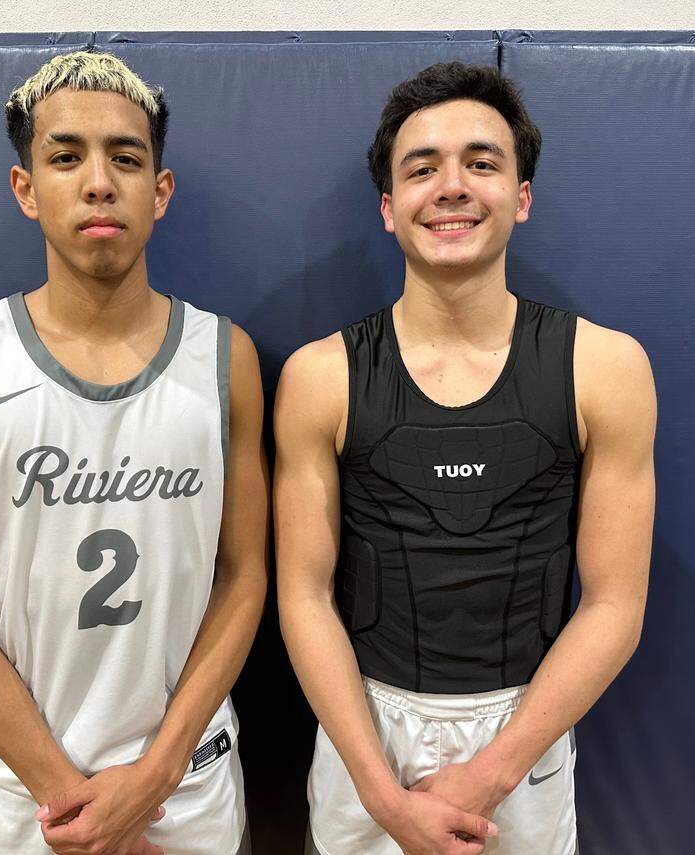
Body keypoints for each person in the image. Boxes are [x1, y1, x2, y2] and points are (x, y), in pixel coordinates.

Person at [275, 62, 655, 855]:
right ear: (388, 208)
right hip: (364, 732)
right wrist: (382, 793)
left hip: (525, 740)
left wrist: (490, 773)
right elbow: (304, 596)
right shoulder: (320, 378)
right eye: (422, 169)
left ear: (520, 196)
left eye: (481, 163)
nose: (451, 186)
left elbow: (615, 603)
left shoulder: (605, 368)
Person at [0, 50, 267, 855]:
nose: (98, 181)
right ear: (25, 188)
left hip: (188, 784)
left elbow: (244, 576)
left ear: (159, 191)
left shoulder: (223, 355)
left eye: (125, 158)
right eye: (65, 156)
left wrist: (153, 781)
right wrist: (76, 802)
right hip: (31, 799)